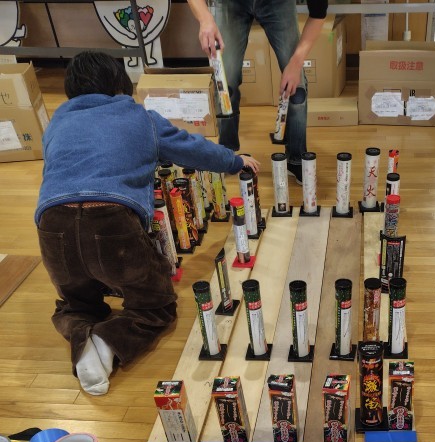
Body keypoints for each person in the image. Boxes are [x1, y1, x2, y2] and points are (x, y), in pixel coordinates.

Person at [35, 51, 259, 396]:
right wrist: (234, 161)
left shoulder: (56, 123)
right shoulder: (141, 118)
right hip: (111, 223)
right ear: (121, 85)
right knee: (155, 305)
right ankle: (106, 344)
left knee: (76, 303)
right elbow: (192, 149)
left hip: (52, 225)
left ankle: (81, 335)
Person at [186, 0, 327, 183]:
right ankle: (227, 155)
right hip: (231, 4)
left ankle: (296, 158)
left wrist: (296, 63)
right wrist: (205, 19)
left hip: (278, 4)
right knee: (225, 83)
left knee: (297, 89)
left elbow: (318, 14)